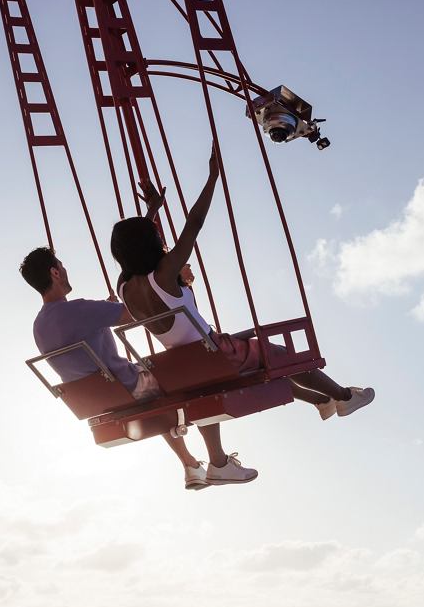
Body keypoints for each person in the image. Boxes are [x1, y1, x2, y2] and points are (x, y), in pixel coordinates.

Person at [112, 155, 374, 421]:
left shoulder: (124, 286)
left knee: (252, 351)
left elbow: (137, 247)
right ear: (149, 243)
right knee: (279, 355)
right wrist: (213, 177)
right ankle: (345, 398)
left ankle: (321, 401)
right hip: (213, 353)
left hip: (186, 362)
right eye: (155, 234)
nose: (160, 236)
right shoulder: (164, 275)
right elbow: (194, 224)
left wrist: (152, 212)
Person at [20, 246, 258, 488]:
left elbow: (83, 332)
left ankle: (189, 465)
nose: (64, 268)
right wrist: (180, 283)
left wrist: (104, 311)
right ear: (55, 272)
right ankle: (218, 463)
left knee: (153, 382)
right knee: (197, 369)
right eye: (61, 265)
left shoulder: (39, 326)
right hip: (130, 386)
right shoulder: (77, 310)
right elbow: (140, 311)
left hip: (104, 398)